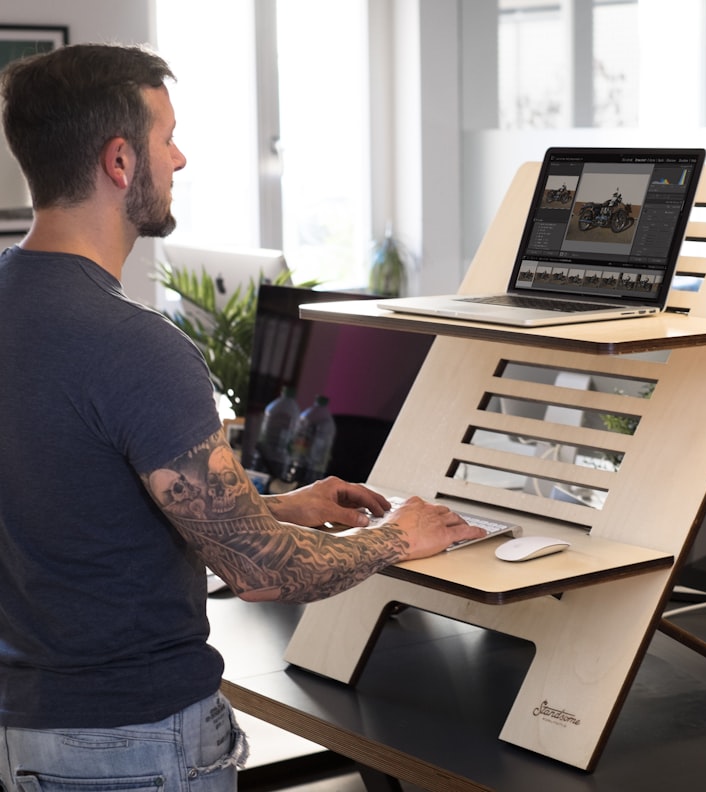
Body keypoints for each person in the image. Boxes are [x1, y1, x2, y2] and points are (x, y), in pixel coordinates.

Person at [0, 43, 483, 790]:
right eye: (168, 139)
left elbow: (72, 500)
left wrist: (280, 505)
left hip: (33, 731)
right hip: (136, 743)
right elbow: (259, 571)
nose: (182, 159)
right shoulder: (134, 347)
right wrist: (396, 537)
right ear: (120, 161)